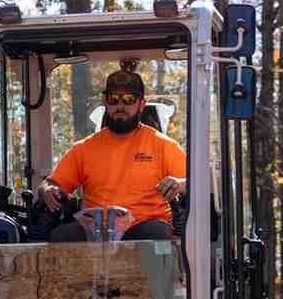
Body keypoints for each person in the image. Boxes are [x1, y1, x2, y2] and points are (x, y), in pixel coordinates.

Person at [38, 69, 186, 241]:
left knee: (156, 233)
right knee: (62, 236)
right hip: (96, 232)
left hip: (144, 227)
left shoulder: (163, 145)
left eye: (129, 99)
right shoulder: (84, 148)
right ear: (105, 103)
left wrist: (178, 184)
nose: (120, 106)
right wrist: (47, 190)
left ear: (141, 104)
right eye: (113, 99)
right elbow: (50, 184)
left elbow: (193, 183)